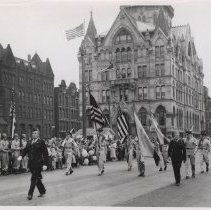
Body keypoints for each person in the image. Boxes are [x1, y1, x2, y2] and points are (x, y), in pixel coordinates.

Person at [18, 129, 49, 200]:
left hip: (38, 163)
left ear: (38, 134)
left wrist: (45, 164)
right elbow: (25, 150)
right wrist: (21, 156)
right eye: (33, 133)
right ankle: (42, 191)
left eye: (35, 133)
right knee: (37, 178)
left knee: (33, 178)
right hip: (31, 163)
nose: (34, 134)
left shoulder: (41, 142)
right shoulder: (29, 142)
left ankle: (30, 194)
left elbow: (45, 154)